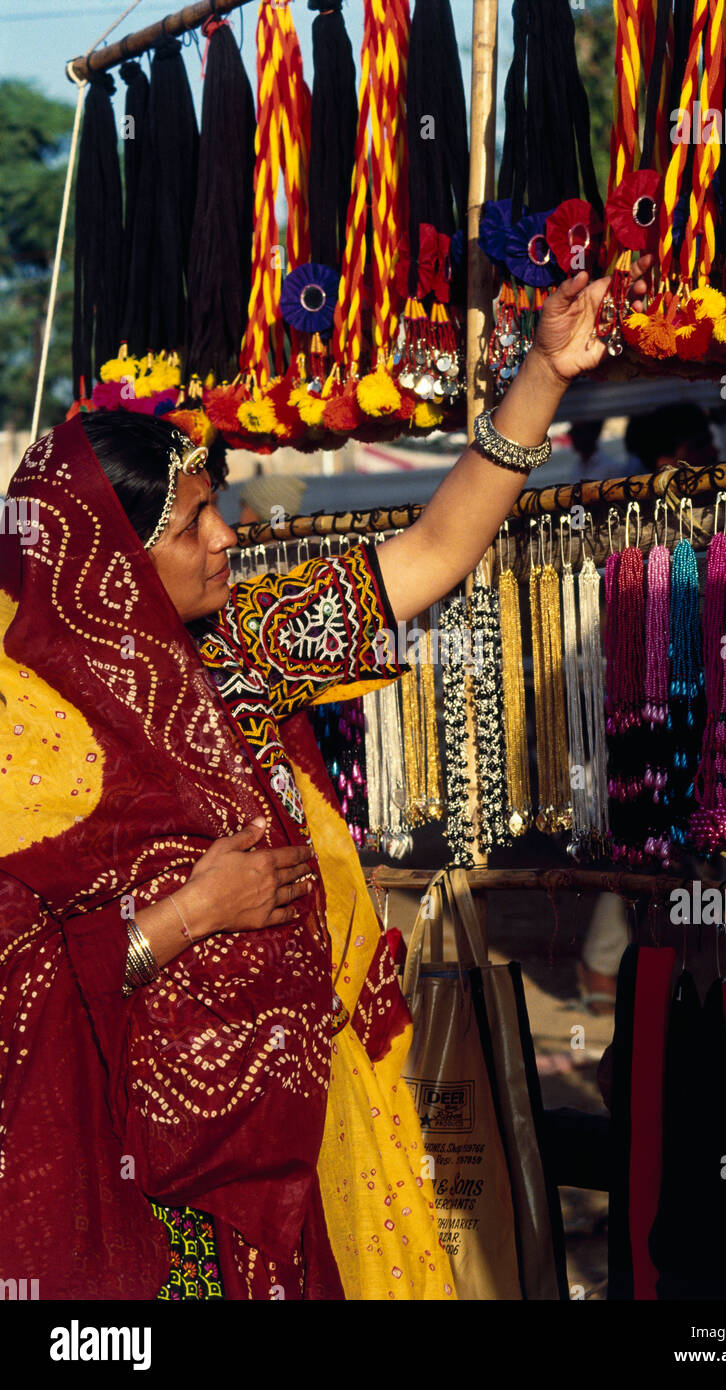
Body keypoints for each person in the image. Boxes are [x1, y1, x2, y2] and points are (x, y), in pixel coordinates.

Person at [0, 258, 651, 1299]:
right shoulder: (23, 725)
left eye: (219, 508)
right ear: (113, 560)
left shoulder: (242, 650)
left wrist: (542, 375)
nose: (228, 537)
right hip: (133, 1184)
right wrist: (186, 916)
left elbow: (431, 554)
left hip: (311, 1136)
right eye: (193, 524)